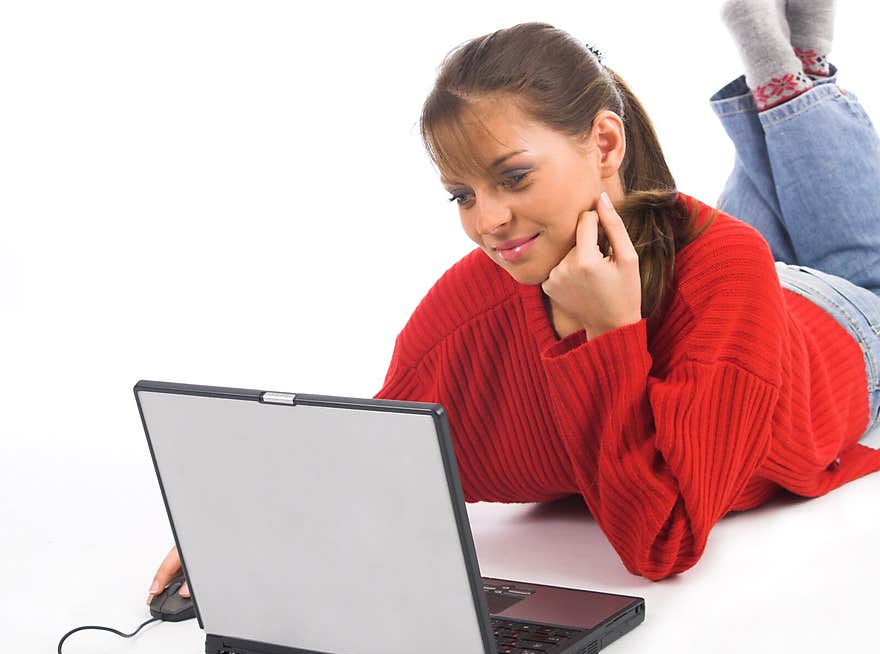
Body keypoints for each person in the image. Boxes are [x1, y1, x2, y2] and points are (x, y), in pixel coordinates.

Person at [148, 0, 880, 599]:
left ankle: (793, 85)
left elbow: (662, 542)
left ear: (603, 141)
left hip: (833, 330)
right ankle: (800, 81)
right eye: (463, 194)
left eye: (514, 177)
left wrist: (608, 335)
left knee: (857, 269)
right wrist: (253, 529)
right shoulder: (477, 299)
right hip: (732, 287)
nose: (486, 222)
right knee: (762, 233)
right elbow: (386, 451)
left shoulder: (723, 266)